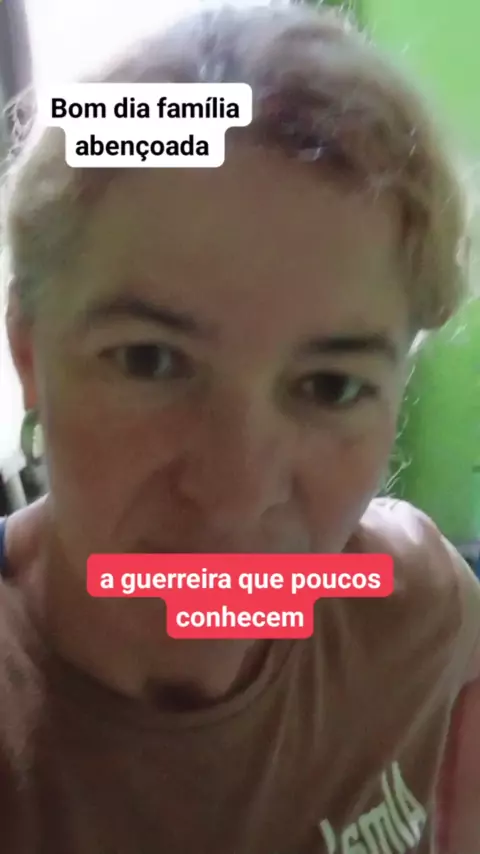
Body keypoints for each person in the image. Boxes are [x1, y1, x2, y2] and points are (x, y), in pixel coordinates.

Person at [0, 3, 479, 852]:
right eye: (149, 360)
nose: (235, 493)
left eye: (331, 386)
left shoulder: (419, 613)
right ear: (30, 351)